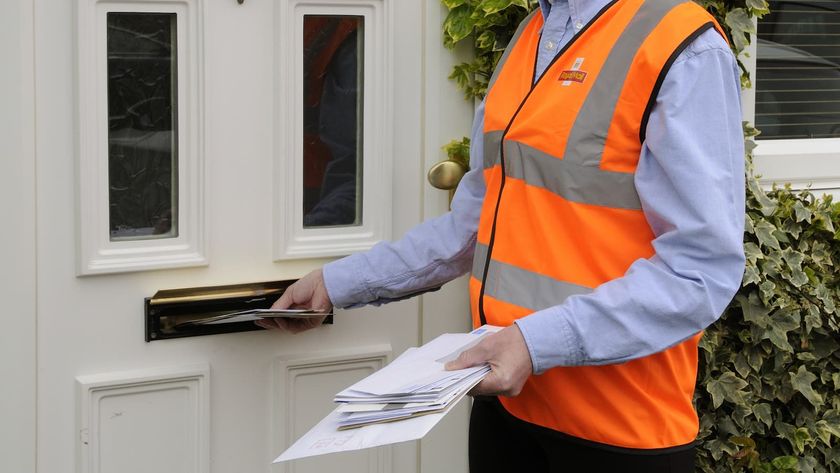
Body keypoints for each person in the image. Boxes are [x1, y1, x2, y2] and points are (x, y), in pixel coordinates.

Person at [258, 0, 746, 471]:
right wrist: (338, 283)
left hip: (619, 428)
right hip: (504, 412)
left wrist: (534, 343)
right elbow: (473, 225)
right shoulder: (530, 35)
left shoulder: (683, 45)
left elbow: (699, 270)